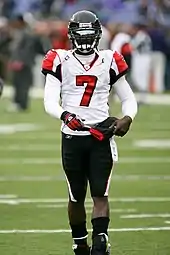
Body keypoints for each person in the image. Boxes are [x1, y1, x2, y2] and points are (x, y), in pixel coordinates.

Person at [42, 10, 138, 255]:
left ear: (97, 34)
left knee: (100, 194)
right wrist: (65, 115)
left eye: (89, 34)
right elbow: (50, 101)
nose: (85, 39)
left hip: (101, 136)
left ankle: (100, 242)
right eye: (80, 34)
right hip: (72, 137)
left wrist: (127, 118)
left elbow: (128, 98)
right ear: (71, 35)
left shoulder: (109, 59)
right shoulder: (59, 59)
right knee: (75, 196)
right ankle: (79, 242)